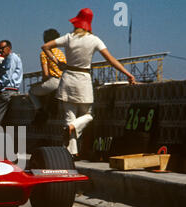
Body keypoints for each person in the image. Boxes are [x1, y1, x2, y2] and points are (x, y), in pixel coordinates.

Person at [42, 8, 136, 157]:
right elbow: (110, 59)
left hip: (67, 79)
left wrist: (57, 62)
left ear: (77, 23)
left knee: (69, 116)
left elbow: (45, 47)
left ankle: (71, 153)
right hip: (83, 80)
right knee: (88, 115)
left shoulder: (68, 37)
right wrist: (128, 74)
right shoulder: (94, 40)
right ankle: (74, 127)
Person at [29, 29, 66, 112]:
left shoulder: (44, 53)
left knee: (31, 91)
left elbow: (45, 74)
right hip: (64, 81)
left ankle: (40, 112)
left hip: (54, 82)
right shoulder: (60, 52)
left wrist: (40, 83)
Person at [0, 40, 23, 127]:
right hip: (12, 91)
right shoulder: (9, 58)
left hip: (7, 91)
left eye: (2, 48)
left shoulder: (11, 58)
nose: (0, 51)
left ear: (9, 48)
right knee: (7, 120)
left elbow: (7, 76)